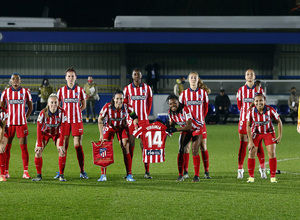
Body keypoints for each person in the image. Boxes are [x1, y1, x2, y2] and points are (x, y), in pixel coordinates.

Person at [98, 90, 138, 182]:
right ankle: (103, 175)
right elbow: (100, 118)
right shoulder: (107, 107)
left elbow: (134, 117)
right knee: (104, 148)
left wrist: (136, 126)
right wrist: (101, 134)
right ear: (113, 99)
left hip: (122, 128)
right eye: (117, 98)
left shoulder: (127, 107)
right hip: (109, 128)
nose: (119, 101)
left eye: (121, 98)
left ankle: (129, 174)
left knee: (125, 146)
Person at [56, 68, 88, 179]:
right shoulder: (61, 91)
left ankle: (82, 171)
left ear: (76, 78)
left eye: (72, 76)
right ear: (65, 78)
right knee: (64, 146)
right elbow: (58, 105)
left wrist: (77, 111)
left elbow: (83, 105)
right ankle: (61, 172)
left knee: (78, 146)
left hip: (76, 121)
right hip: (65, 122)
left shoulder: (80, 90)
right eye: (69, 76)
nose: (70, 78)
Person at [0, 73, 33, 179]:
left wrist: (24, 118)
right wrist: (4, 121)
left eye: (17, 79)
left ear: (20, 81)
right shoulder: (5, 92)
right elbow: (1, 108)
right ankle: (5, 171)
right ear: (10, 81)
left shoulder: (26, 92)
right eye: (13, 79)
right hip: (9, 125)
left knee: (24, 147)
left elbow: (30, 107)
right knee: (6, 148)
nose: (15, 80)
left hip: (21, 124)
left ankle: (25, 171)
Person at [179, 72, 210, 182]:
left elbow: (205, 109)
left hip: (199, 125)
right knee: (186, 148)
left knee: (202, 147)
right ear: (188, 79)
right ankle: (186, 172)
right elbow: (180, 109)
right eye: (191, 77)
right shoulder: (184, 94)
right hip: (188, 126)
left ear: (198, 80)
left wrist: (199, 120)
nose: (193, 79)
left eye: (195, 78)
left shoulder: (203, 93)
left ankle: (206, 171)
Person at [123, 68, 153, 178]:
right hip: (131, 121)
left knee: (144, 145)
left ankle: (147, 171)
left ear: (141, 76)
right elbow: (125, 104)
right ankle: (129, 172)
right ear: (132, 76)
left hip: (144, 121)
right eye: (135, 74)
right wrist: (132, 117)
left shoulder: (147, 88)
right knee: (131, 144)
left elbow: (149, 103)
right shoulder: (127, 89)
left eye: (138, 74)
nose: (136, 76)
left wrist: (145, 115)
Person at [236, 69, 266, 179]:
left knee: (258, 146)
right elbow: (240, 106)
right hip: (244, 121)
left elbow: (263, 104)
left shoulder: (260, 90)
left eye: (251, 74)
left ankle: (262, 169)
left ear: (254, 76)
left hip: (256, 122)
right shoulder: (241, 90)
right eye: (247, 74)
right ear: (245, 77)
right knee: (243, 145)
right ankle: (240, 169)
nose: (249, 76)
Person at [246, 93, 282, 183]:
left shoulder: (270, 110)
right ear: (254, 102)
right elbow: (248, 126)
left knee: (272, 153)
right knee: (251, 153)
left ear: (264, 101)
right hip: (256, 133)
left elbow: (279, 121)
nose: (259, 102)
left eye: (261, 100)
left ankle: (273, 177)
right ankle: (251, 177)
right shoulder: (251, 111)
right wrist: (250, 141)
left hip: (268, 133)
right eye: (257, 101)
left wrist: (279, 136)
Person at [167, 93, 203, 181]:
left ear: (178, 102)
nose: (173, 105)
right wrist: (167, 129)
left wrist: (175, 130)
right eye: (171, 104)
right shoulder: (170, 112)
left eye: (175, 103)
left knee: (194, 149)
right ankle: (180, 175)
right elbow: (172, 125)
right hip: (185, 130)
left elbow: (189, 126)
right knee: (181, 149)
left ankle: (196, 176)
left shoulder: (185, 109)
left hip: (196, 129)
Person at [32, 94, 67, 182]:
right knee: (37, 151)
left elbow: (63, 129)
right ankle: (39, 175)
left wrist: (62, 143)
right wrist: (39, 144)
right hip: (45, 134)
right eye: (52, 102)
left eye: (55, 102)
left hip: (57, 134)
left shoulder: (62, 112)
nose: (54, 104)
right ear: (48, 103)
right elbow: (38, 129)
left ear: (58, 103)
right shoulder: (43, 113)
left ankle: (61, 175)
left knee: (62, 151)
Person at [0, 107, 8, 181]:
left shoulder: (3, 112)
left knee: (1, 149)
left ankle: (2, 174)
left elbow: (2, 128)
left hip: (4, 132)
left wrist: (0, 142)